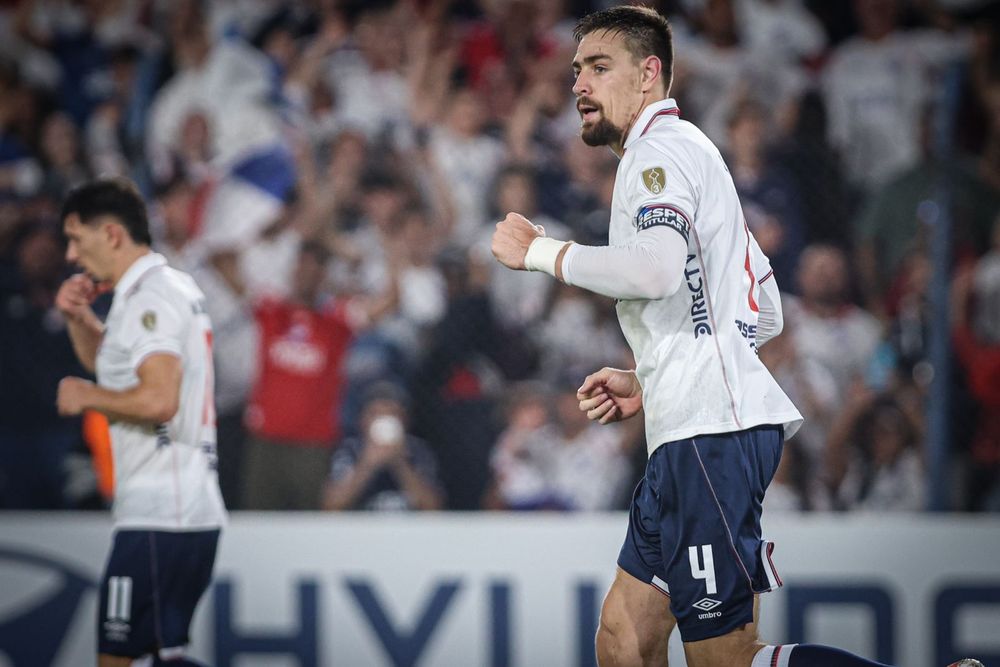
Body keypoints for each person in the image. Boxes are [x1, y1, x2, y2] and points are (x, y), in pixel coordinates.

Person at [491, 7, 981, 667]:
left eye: (599, 67)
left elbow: (656, 270)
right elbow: (766, 306)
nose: (579, 83)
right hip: (693, 425)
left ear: (648, 74)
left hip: (709, 438)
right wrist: (654, 372)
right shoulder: (695, 154)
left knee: (726, 657)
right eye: (577, 68)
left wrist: (542, 253)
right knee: (622, 638)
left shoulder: (657, 153)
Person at [55, 177, 225, 667]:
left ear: (111, 234)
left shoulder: (150, 297)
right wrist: (80, 319)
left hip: (161, 514)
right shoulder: (153, 290)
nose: (70, 255)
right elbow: (115, 369)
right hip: (177, 510)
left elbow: (157, 400)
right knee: (160, 657)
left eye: (76, 239)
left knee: (119, 659)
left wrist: (86, 396)